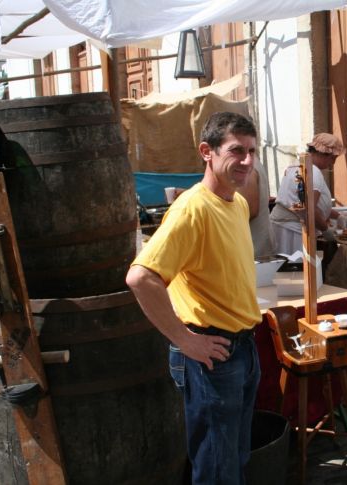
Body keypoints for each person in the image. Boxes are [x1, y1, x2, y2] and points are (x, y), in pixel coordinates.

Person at [126, 112, 262, 485]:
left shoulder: (234, 204)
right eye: (237, 151)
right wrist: (185, 340)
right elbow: (141, 278)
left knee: (234, 459)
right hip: (212, 355)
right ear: (207, 151)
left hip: (242, 349)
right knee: (217, 469)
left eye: (252, 151)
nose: (247, 161)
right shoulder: (192, 208)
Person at [270, 133, 347, 255]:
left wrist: (337, 216)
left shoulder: (296, 165)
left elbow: (300, 203)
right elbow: (309, 208)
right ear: (324, 154)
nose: (332, 163)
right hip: (293, 232)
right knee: (296, 269)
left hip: (284, 227)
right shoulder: (312, 172)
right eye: (333, 158)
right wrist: (326, 229)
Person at [239, 154, 276, 258]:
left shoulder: (245, 164)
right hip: (255, 243)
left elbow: (250, 210)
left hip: (254, 244)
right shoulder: (249, 162)